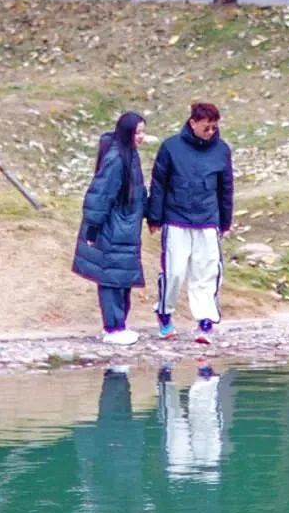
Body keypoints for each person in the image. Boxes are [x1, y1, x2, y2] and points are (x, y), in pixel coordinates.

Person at [148, 101, 233, 346]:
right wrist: (154, 217)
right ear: (193, 123)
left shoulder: (221, 150)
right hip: (176, 218)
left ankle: (205, 321)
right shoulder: (170, 147)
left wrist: (225, 221)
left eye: (214, 128)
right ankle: (164, 314)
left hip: (208, 220)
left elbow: (225, 188)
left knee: (206, 271)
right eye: (206, 127)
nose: (211, 132)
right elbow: (158, 184)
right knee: (174, 271)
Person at [73, 110, 147, 346]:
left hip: (126, 227)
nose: (141, 137)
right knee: (111, 277)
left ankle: (120, 325)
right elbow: (100, 194)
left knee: (121, 278)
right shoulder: (116, 159)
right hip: (113, 228)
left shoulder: (130, 155)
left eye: (143, 132)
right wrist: (93, 228)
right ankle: (113, 327)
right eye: (138, 133)